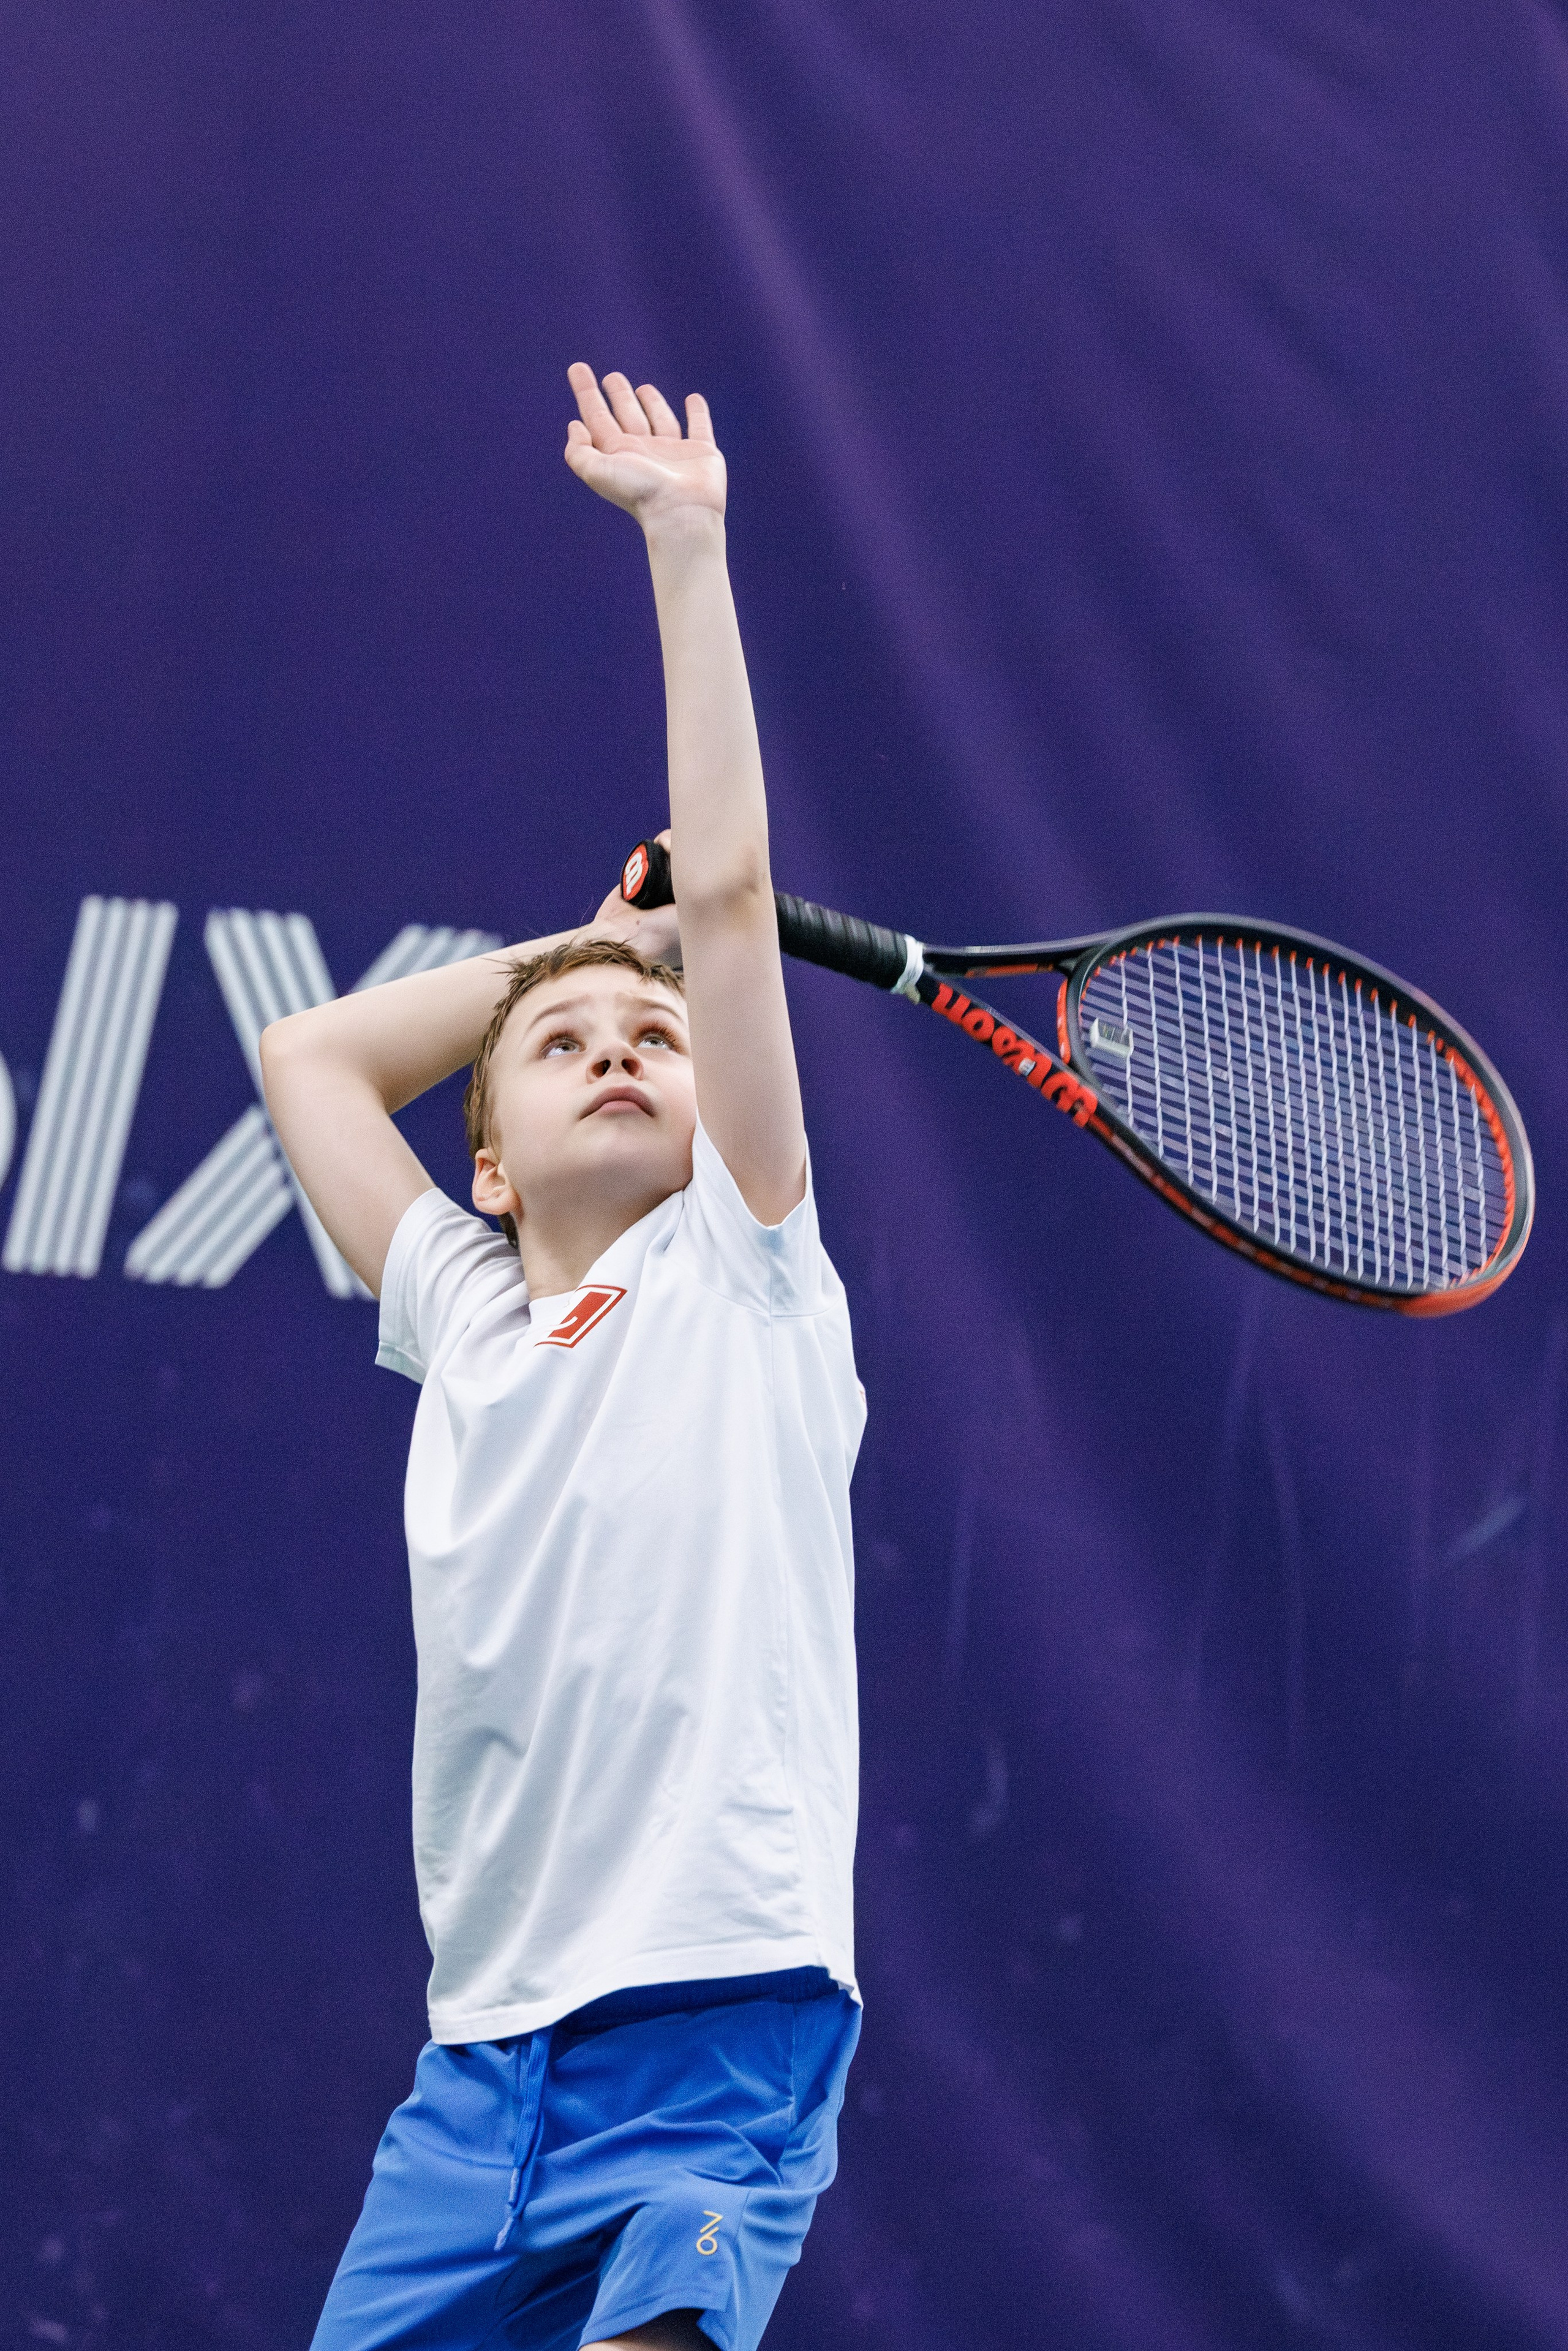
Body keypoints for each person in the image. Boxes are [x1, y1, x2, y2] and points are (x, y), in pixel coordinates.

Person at [260, 364, 865, 2351]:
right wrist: (595, 951)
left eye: (658, 1043)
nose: (620, 1048)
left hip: (718, 2023)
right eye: (564, 1050)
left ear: (712, 1124)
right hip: (479, 2077)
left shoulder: (746, 1268)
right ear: (492, 1171)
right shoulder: (464, 1313)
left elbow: (738, 892)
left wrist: (688, 547)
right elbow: (309, 1055)